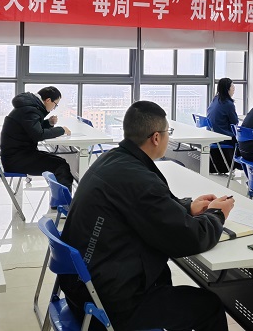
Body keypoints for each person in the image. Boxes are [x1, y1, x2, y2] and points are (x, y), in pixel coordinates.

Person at [60, 100, 235, 331]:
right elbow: (190, 238)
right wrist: (217, 215)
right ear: (156, 138)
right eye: (168, 132)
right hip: (111, 304)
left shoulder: (112, 159)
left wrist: (187, 207)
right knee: (208, 306)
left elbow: (145, 208)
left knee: (165, 279)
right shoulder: (139, 179)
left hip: (85, 289)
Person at [0, 86, 74, 191]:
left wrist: (48, 123)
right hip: (16, 160)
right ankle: (64, 200)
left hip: (16, 155)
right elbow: (39, 135)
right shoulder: (30, 111)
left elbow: (31, 128)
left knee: (59, 162)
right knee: (61, 165)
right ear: (48, 100)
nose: (54, 108)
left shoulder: (28, 106)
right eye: (55, 104)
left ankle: (59, 196)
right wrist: (61, 130)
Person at [206, 78, 239, 173]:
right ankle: (240, 165)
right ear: (227, 88)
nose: (234, 88)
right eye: (232, 86)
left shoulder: (215, 99)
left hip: (212, 133)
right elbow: (235, 122)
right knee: (243, 140)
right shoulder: (228, 104)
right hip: (223, 135)